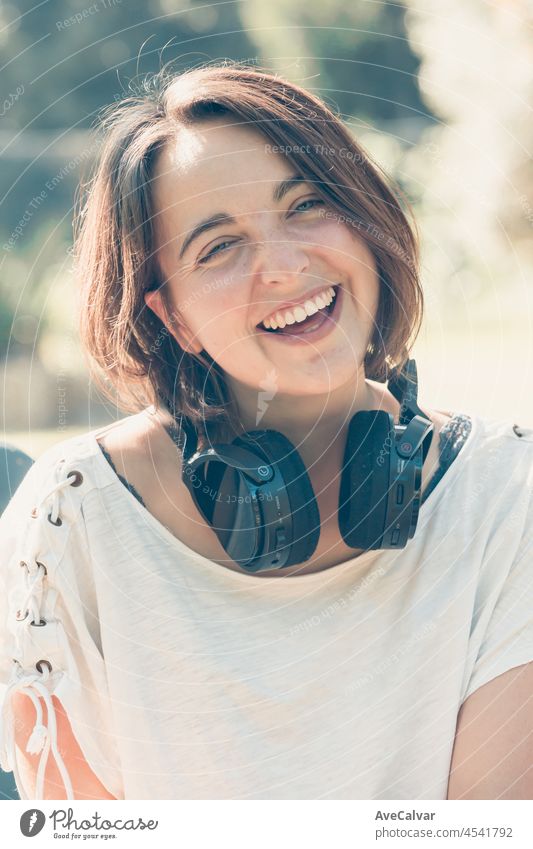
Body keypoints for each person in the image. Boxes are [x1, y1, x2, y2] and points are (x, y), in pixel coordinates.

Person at [1, 61, 532, 801]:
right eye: (218, 247)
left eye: (308, 205)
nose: (284, 268)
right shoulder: (71, 515)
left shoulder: (506, 489)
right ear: (174, 317)